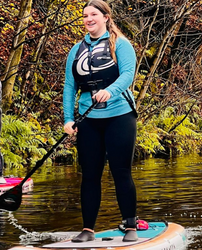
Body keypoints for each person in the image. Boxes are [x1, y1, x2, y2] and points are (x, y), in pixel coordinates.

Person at [63, 0, 138, 242]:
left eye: (93, 14)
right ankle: (87, 229)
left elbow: (128, 74)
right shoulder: (76, 51)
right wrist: (68, 119)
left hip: (120, 116)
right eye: (85, 15)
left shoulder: (122, 45)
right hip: (89, 119)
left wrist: (111, 90)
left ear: (105, 17)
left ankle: (130, 226)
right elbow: (69, 87)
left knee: (121, 172)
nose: (88, 19)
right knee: (90, 174)